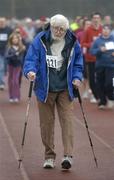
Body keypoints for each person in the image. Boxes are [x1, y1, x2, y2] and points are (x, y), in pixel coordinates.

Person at [23, 14, 83, 170]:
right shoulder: (40, 39)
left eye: (62, 29)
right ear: (51, 26)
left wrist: (77, 77)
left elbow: (78, 62)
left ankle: (68, 156)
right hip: (45, 88)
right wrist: (30, 71)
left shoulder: (73, 41)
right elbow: (31, 59)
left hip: (65, 88)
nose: (58, 31)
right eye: (56, 28)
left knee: (68, 122)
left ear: (66, 29)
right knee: (46, 124)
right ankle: (49, 156)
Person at [90, 24, 114, 109]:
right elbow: (92, 51)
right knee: (99, 84)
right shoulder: (97, 41)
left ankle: (111, 97)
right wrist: (100, 50)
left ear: (110, 31)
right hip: (100, 65)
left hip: (111, 65)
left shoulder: (113, 39)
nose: (106, 30)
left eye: (107, 29)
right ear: (102, 30)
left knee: (109, 83)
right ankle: (102, 102)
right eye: (104, 29)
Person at [82, 12, 102, 103]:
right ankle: (95, 96)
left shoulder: (103, 29)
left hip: (102, 58)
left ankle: (102, 95)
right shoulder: (88, 30)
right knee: (92, 79)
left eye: (97, 18)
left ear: (100, 19)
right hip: (90, 58)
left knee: (101, 78)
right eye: (94, 18)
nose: (96, 19)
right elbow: (82, 43)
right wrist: (92, 44)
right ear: (92, 19)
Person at [6, 32, 26, 103]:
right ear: (11, 40)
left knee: (15, 81)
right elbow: (7, 57)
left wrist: (15, 56)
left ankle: (17, 96)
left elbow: (20, 59)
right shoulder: (9, 48)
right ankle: (11, 96)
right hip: (10, 66)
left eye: (16, 38)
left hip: (17, 66)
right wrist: (15, 54)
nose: (15, 40)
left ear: (18, 40)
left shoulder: (22, 48)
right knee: (10, 81)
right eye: (13, 39)